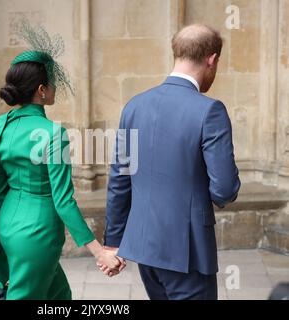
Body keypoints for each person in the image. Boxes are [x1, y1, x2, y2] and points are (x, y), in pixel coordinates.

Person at [0, 23, 123, 300]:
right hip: (38, 232)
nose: (55, 87)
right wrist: (100, 252)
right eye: (52, 83)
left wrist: (10, 227)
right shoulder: (53, 134)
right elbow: (64, 201)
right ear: (41, 90)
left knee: (59, 295)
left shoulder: (3, 125)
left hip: (9, 225)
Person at [102, 24, 241, 300]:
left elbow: (120, 179)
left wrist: (113, 243)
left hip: (145, 248)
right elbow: (225, 189)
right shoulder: (210, 110)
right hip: (186, 250)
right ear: (211, 60)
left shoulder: (134, 106)